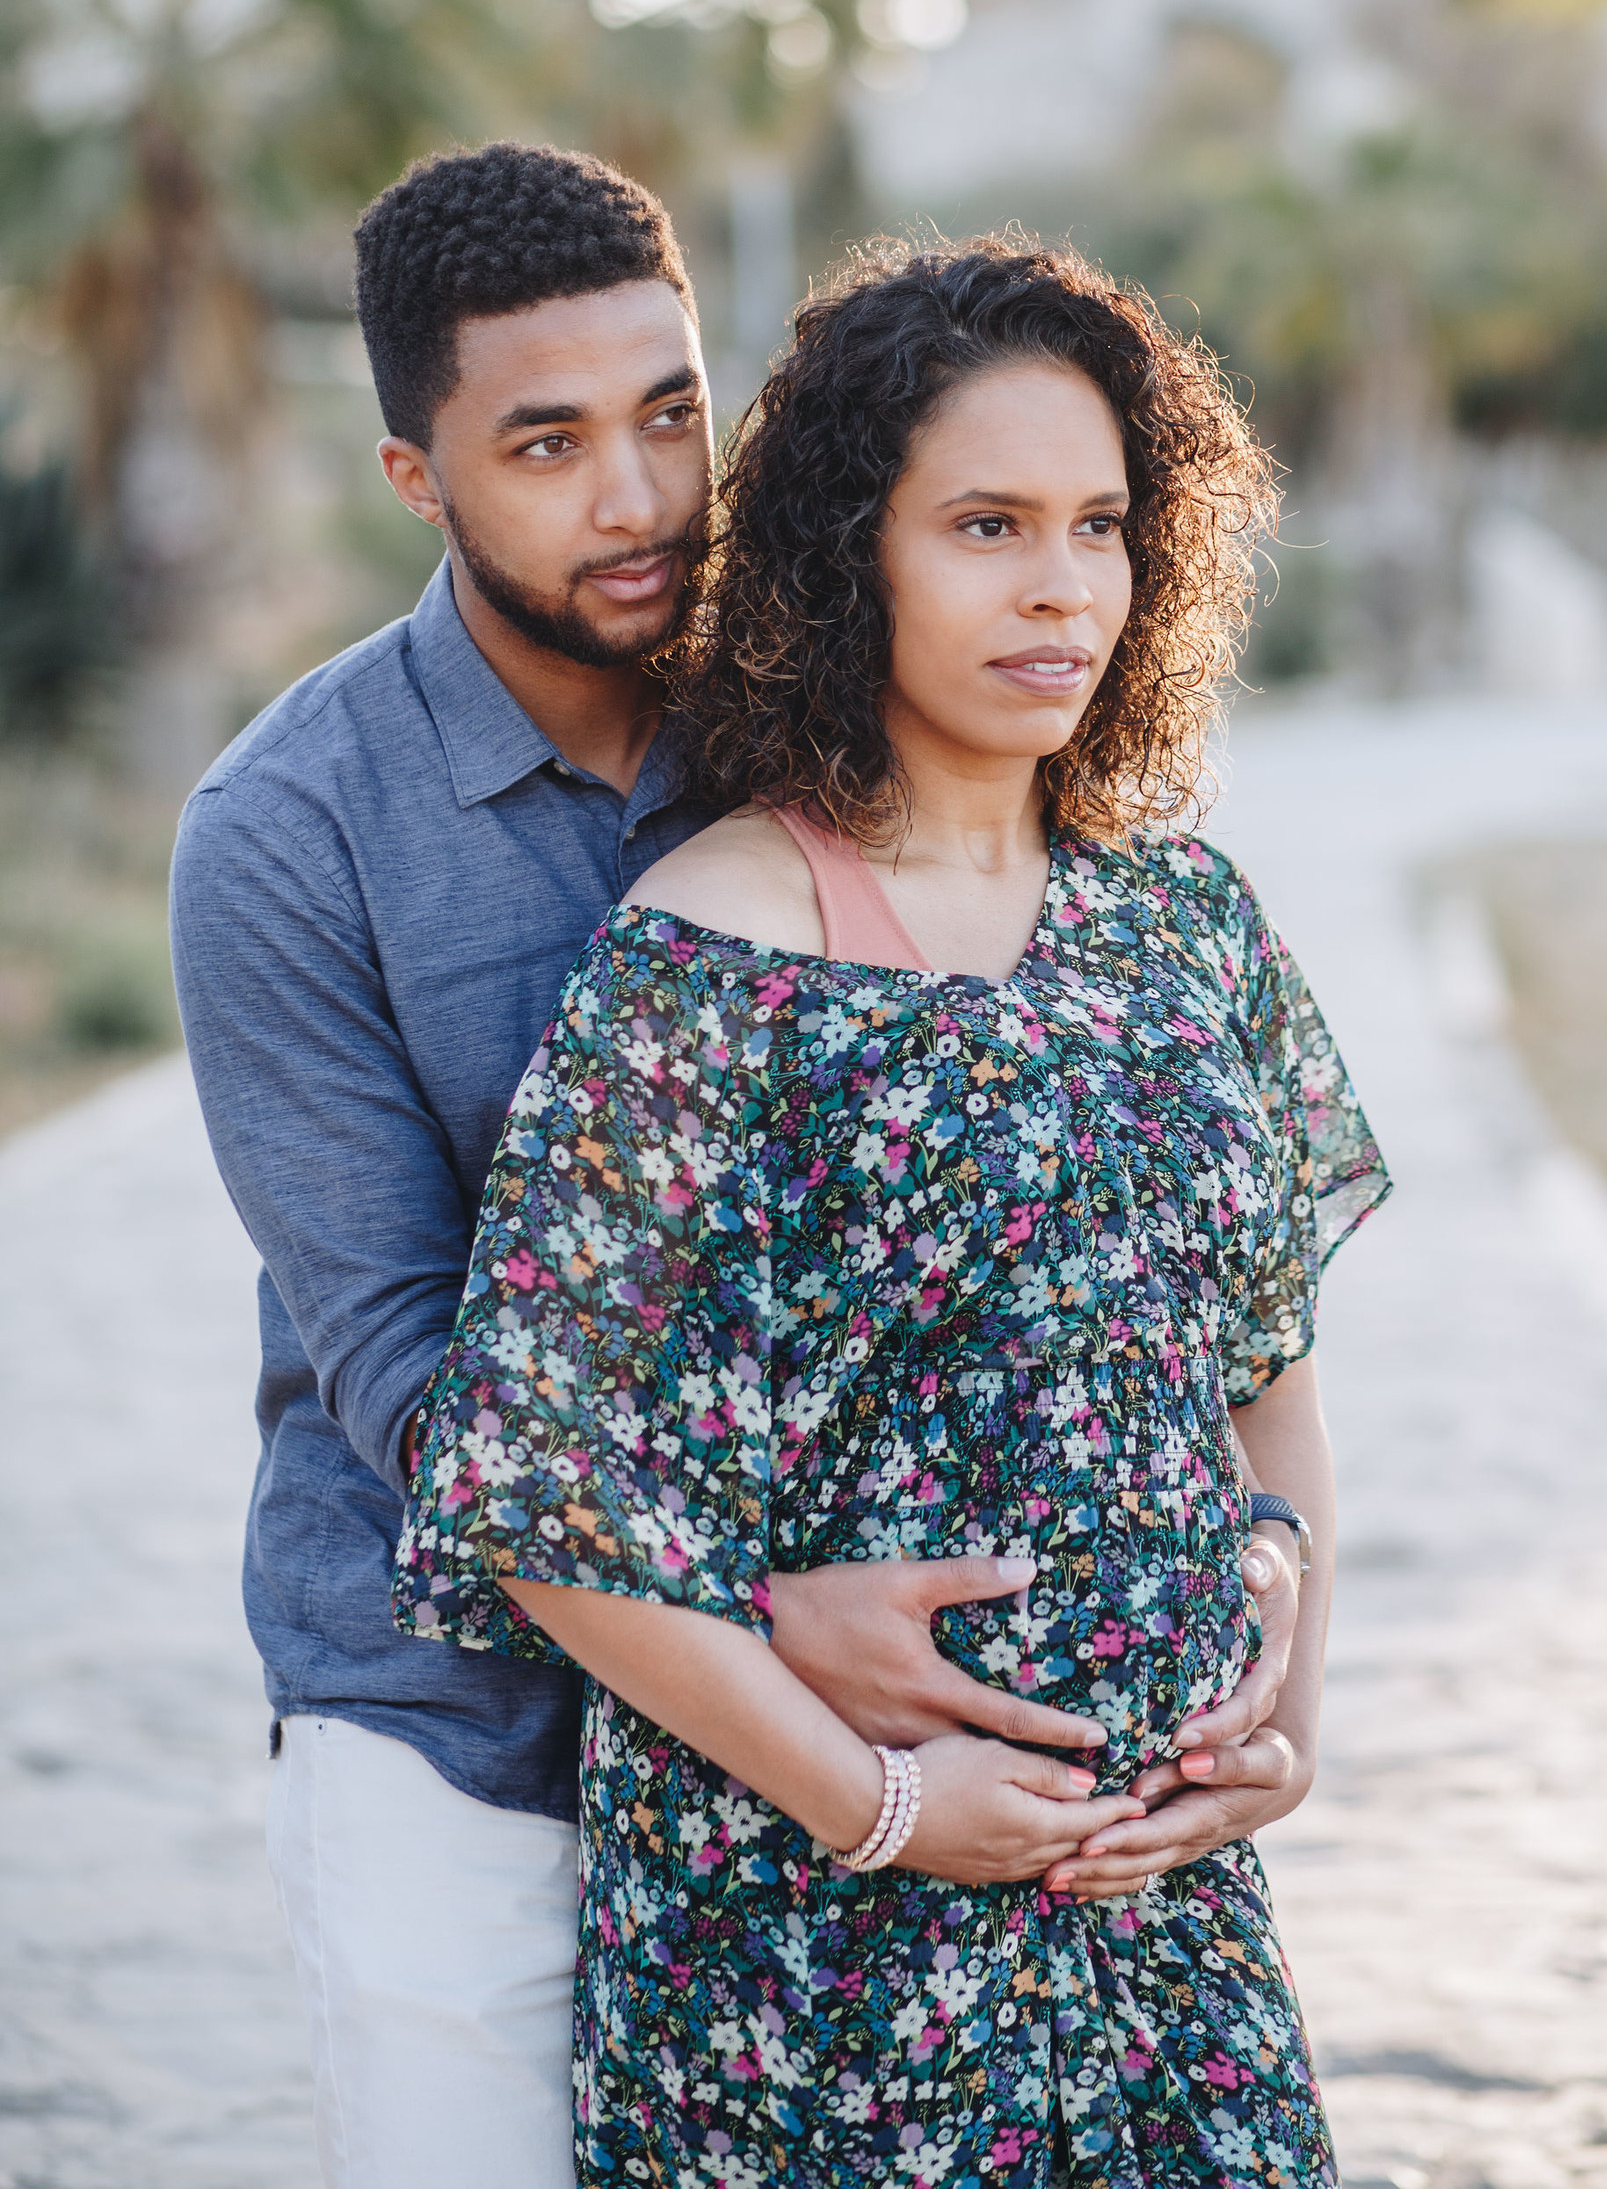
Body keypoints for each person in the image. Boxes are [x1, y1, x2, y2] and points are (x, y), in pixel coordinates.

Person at [174, 152, 1256, 2189]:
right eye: (548, 444)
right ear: (418, 473)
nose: (640, 499)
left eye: (672, 412)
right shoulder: (288, 835)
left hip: (844, 1760)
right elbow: (416, 1364)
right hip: (462, 1722)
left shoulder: (815, 710)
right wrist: (768, 1630)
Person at [394, 236, 1391, 2187]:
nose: (1059, 586)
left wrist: (1294, 1717)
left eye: (1102, 525)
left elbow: (1269, 1366)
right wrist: (877, 1806)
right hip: (820, 1941)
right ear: (853, 555)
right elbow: (543, 1502)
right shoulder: (713, 951)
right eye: (989, 524)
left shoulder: (1181, 916)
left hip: (1158, 1914)